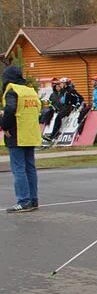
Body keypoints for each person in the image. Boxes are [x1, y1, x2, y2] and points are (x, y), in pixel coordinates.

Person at [2, 65, 41, 212]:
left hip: (17, 134)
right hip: (30, 133)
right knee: (30, 167)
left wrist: (4, 126)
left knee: (18, 169)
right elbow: (37, 109)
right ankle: (33, 199)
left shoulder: (12, 91)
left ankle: (23, 200)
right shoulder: (30, 90)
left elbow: (11, 109)